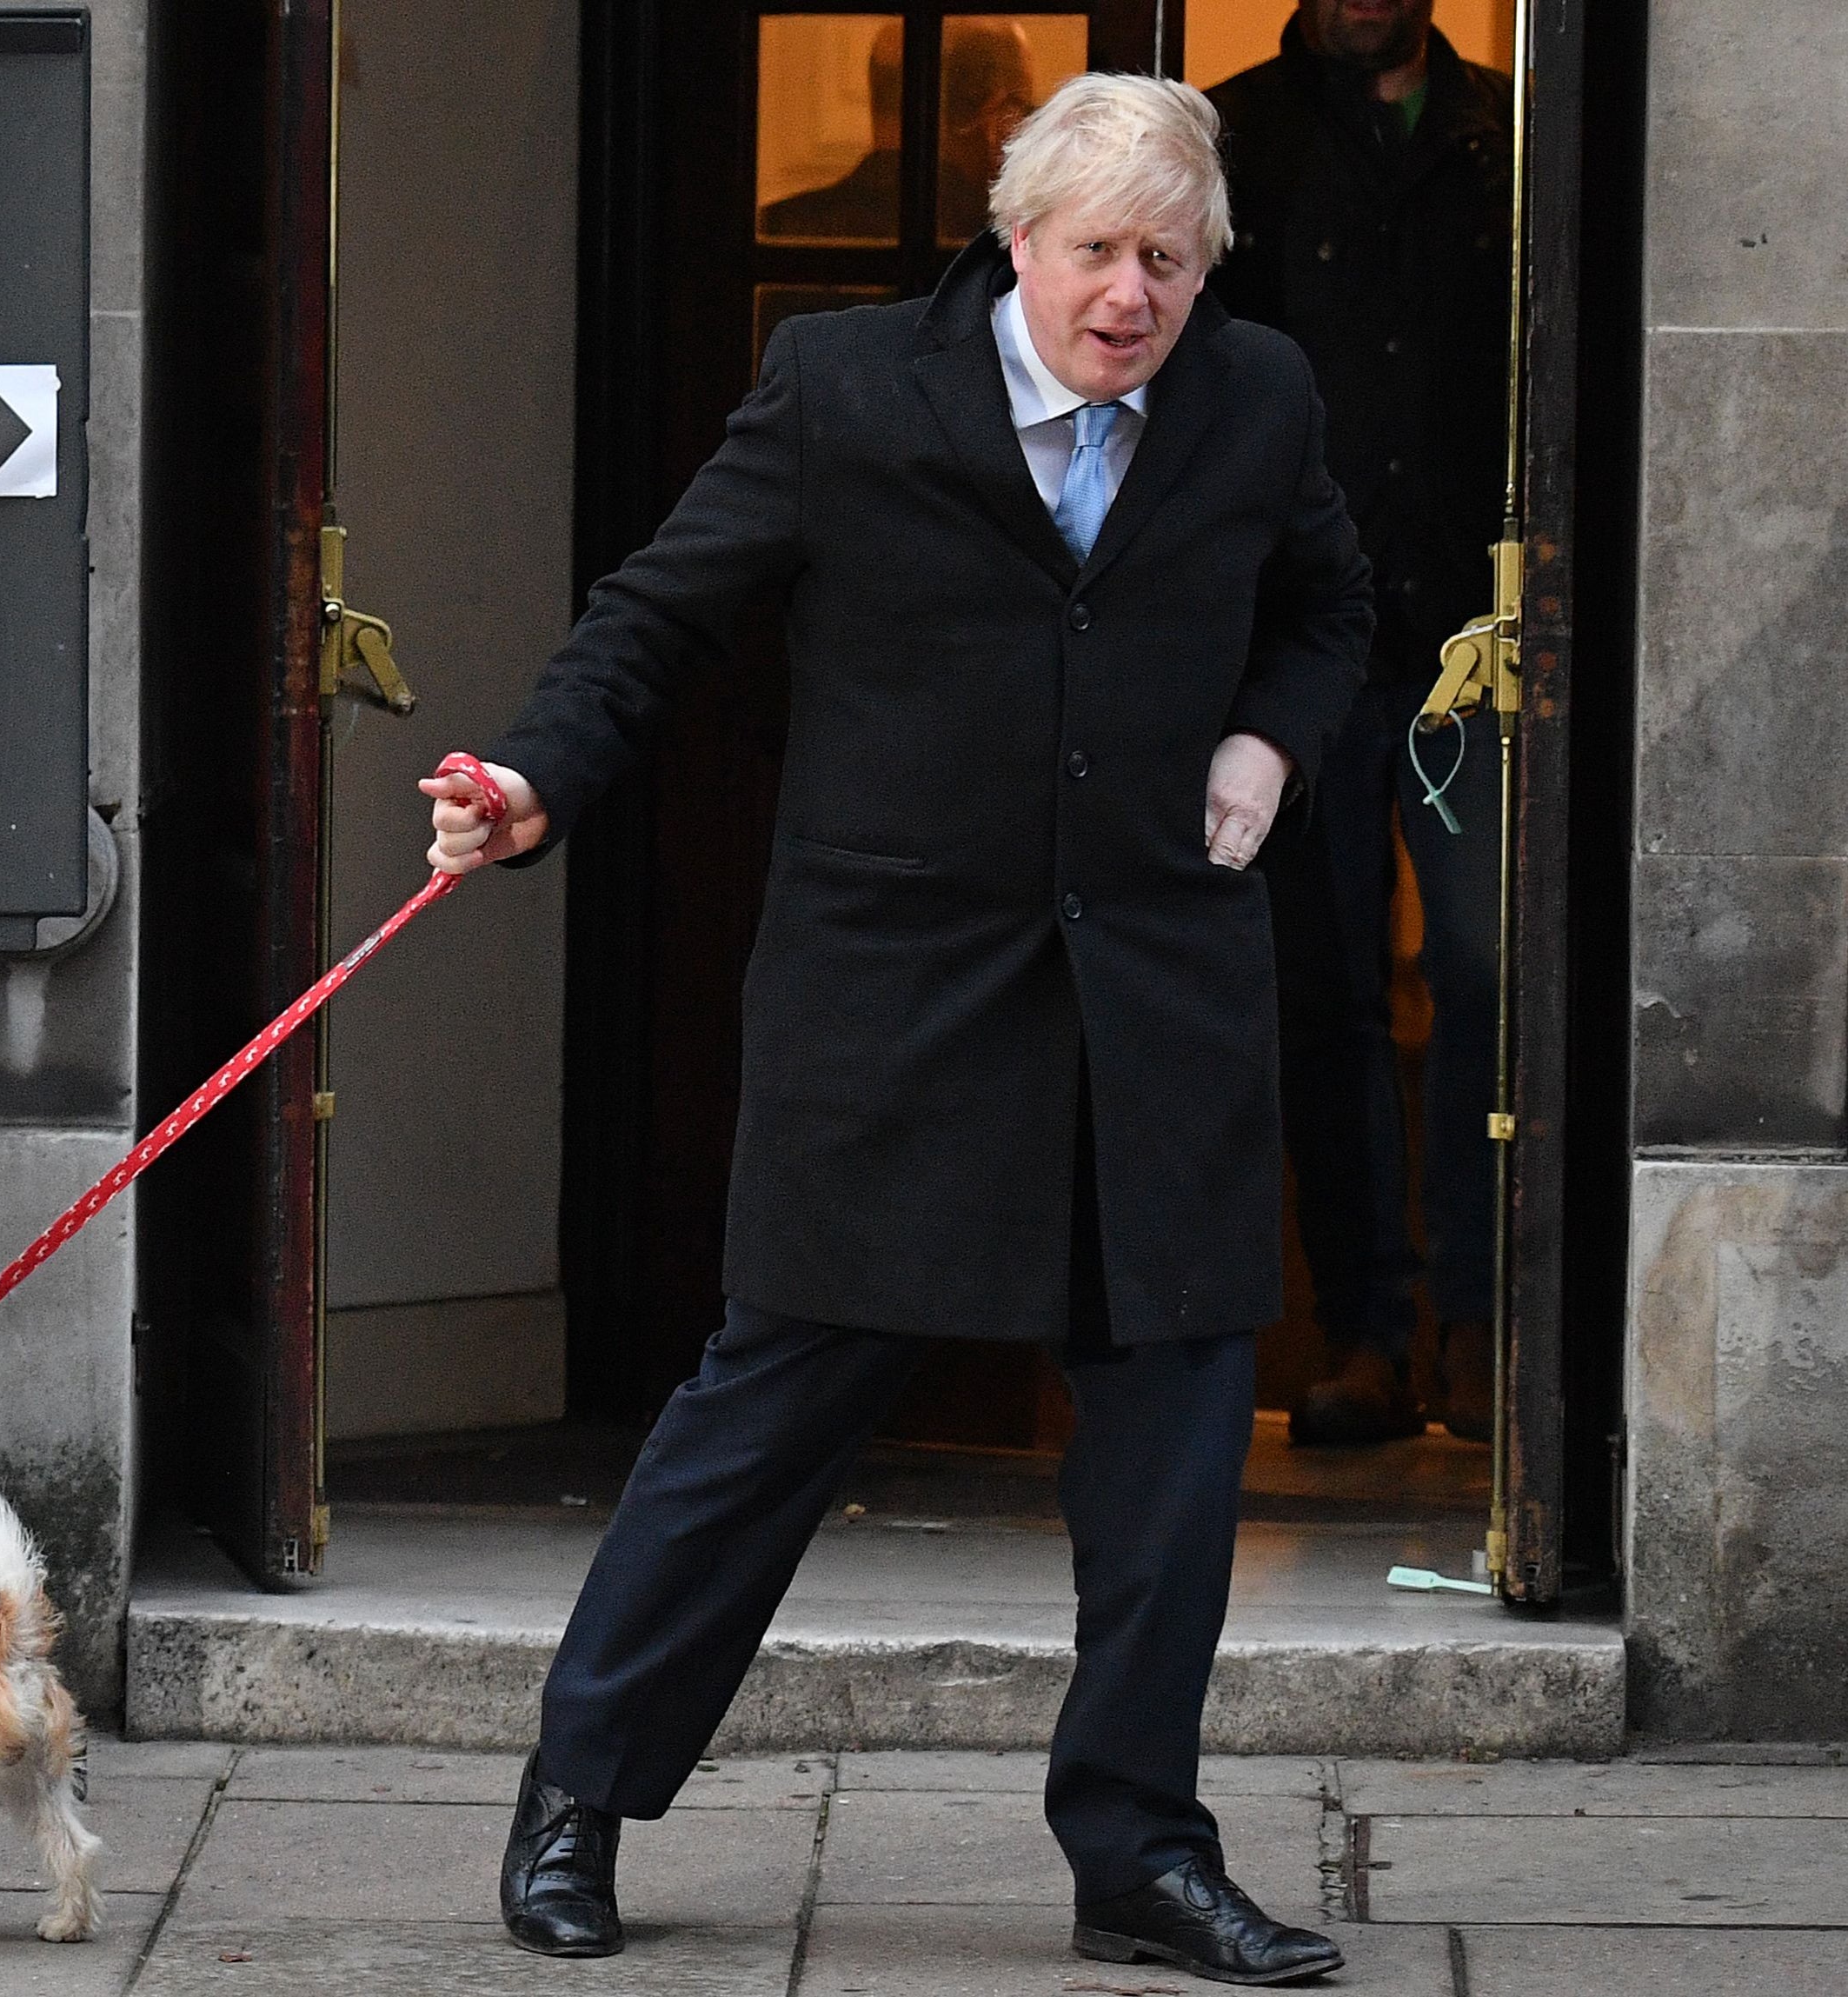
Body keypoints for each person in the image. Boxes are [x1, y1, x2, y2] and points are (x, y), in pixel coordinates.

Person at [425, 76, 1371, 1987]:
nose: (1131, 297)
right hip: (895, 992)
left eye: (1167, 261)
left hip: (1157, 999)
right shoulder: (847, 386)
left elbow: (1331, 603)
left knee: (1173, 1451)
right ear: (1017, 238)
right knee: (761, 1415)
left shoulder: (1252, 394)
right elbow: (659, 613)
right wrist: (533, 777)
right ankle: (577, 1792)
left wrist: (1265, 742)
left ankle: (1137, 1851)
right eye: (1097, 251)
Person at [1207, 1, 1514, 1446]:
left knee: (1483, 968)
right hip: (1297, 639)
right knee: (1315, 990)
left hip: (1475, 634)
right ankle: (1364, 1331)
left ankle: (1480, 1317)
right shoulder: (1230, 133)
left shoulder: (1509, 133)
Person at [758, 19, 1039, 244]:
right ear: (988, 108)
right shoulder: (1005, 238)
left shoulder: (778, 225)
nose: (1024, 128)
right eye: (1021, 107)